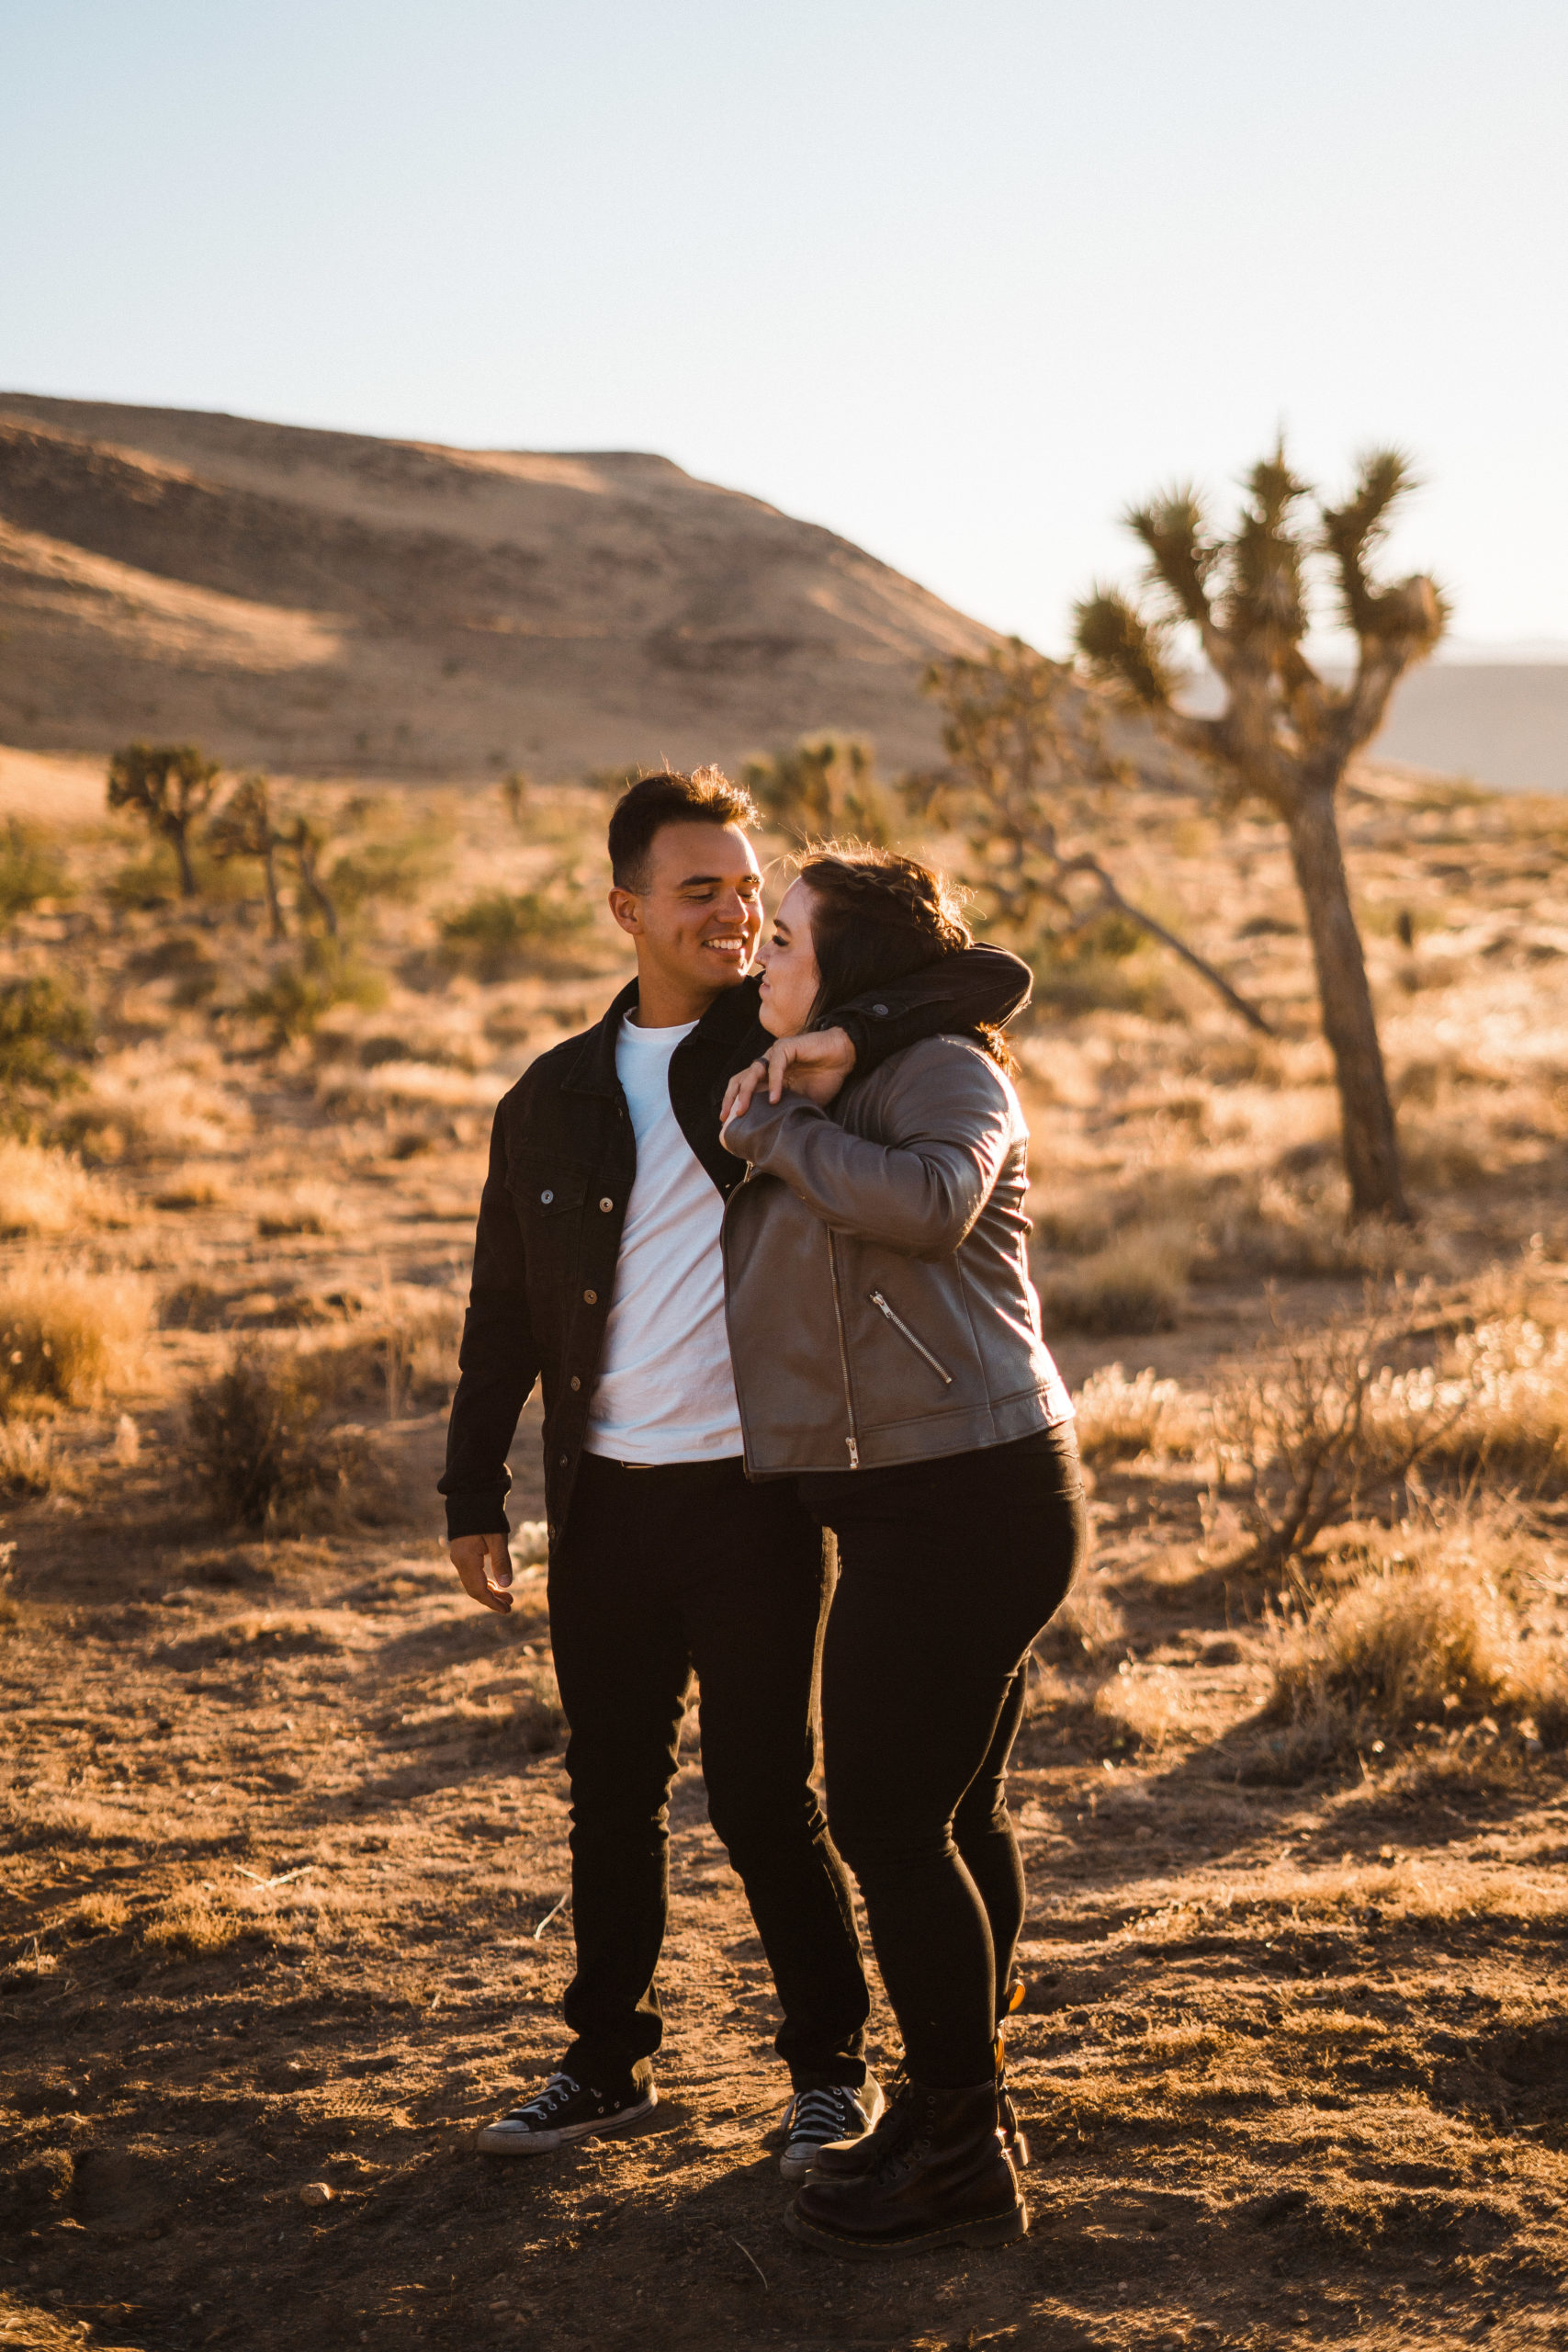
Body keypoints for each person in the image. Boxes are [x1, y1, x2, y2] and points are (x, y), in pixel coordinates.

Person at [440, 770, 1032, 2175]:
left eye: (748, 889)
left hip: (756, 1496)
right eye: (698, 888)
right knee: (610, 1793)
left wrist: (831, 1040)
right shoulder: (550, 1097)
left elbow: (981, 978)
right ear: (624, 907)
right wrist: (475, 1493)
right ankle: (603, 2061)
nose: (734, 910)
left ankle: (827, 2071)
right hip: (606, 1497)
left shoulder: (786, 1051)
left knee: (769, 1797)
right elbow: (502, 1311)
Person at [718, 845, 1085, 2257]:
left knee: (884, 1820)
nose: (764, 957)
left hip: (968, 1498)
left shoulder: (948, 1079)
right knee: (952, 1811)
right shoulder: (843, 1064)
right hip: (918, 1496)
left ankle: (960, 2156)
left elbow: (933, 1205)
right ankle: (958, 2114)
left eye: (789, 938)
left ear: (853, 966)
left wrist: (785, 1133)